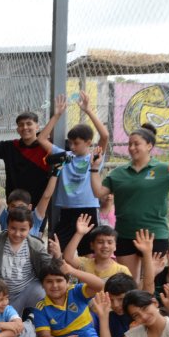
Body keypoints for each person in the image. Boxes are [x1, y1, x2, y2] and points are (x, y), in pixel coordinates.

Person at [91, 126, 169, 278]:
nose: (132, 148)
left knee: (150, 282)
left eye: (136, 143)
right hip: (125, 234)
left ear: (149, 146)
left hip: (155, 235)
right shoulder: (119, 173)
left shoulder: (164, 169)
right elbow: (98, 192)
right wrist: (94, 169)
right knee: (129, 283)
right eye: (129, 144)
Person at [37, 92, 110, 254]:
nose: (72, 146)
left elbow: (105, 136)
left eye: (76, 143)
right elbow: (41, 139)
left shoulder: (94, 157)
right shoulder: (65, 156)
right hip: (67, 211)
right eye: (70, 143)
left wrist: (88, 110)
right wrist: (57, 115)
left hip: (88, 209)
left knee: (89, 252)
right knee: (55, 249)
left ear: (88, 143)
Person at [33, 258, 112, 337]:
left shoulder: (76, 292)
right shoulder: (41, 307)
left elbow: (99, 285)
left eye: (59, 280)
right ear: (42, 285)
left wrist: (73, 271)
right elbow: (44, 336)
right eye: (49, 282)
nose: (54, 285)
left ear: (68, 281)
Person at [59, 214, 131, 281]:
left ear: (115, 246)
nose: (105, 246)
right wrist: (79, 233)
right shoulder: (84, 264)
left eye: (109, 242)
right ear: (92, 245)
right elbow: (68, 257)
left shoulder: (122, 270)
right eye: (100, 242)